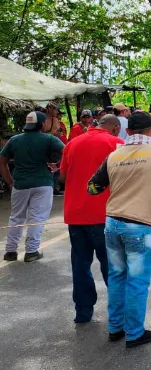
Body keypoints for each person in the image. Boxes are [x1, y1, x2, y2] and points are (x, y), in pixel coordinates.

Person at [87, 111, 151, 348]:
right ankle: (135, 333)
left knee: (117, 276)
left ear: (127, 131)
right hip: (140, 226)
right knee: (137, 281)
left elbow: (93, 188)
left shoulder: (114, 156)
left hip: (112, 224)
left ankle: (115, 328)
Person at [60, 114, 124, 323]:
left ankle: (83, 312)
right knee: (111, 265)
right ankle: (118, 314)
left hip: (76, 216)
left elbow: (62, 177)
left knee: (80, 263)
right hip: (104, 215)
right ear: (115, 128)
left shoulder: (72, 144)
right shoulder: (116, 144)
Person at [1, 111, 65, 262]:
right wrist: (57, 166)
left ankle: (10, 251)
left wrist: (9, 181)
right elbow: (67, 151)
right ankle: (31, 251)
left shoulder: (15, 140)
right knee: (37, 218)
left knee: (16, 217)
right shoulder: (49, 139)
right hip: (43, 183)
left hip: (20, 184)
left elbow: (2, 161)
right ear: (43, 124)